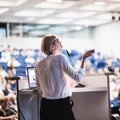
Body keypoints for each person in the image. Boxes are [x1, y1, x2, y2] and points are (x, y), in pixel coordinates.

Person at [35, 34, 94, 120]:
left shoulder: (38, 65)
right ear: (52, 46)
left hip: (45, 107)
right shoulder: (60, 58)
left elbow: (40, 88)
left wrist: (63, 87)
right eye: (59, 42)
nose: (62, 45)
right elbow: (78, 78)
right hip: (61, 106)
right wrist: (84, 59)